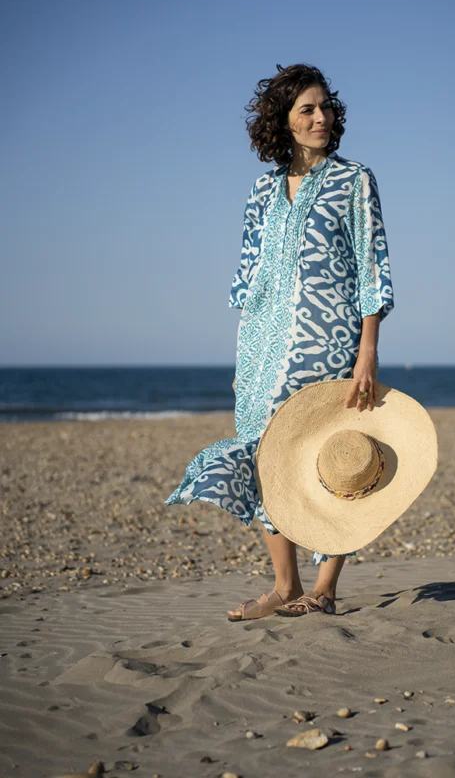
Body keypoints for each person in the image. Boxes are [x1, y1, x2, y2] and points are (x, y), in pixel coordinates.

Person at [165, 63, 394, 619]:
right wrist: (249, 354)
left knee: (333, 457)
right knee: (268, 456)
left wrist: (368, 350)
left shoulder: (354, 180)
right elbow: (250, 279)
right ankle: (285, 584)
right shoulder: (262, 191)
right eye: (307, 110)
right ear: (283, 123)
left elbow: (372, 269)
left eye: (326, 107)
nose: (322, 118)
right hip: (263, 344)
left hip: (331, 337)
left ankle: (326, 588)